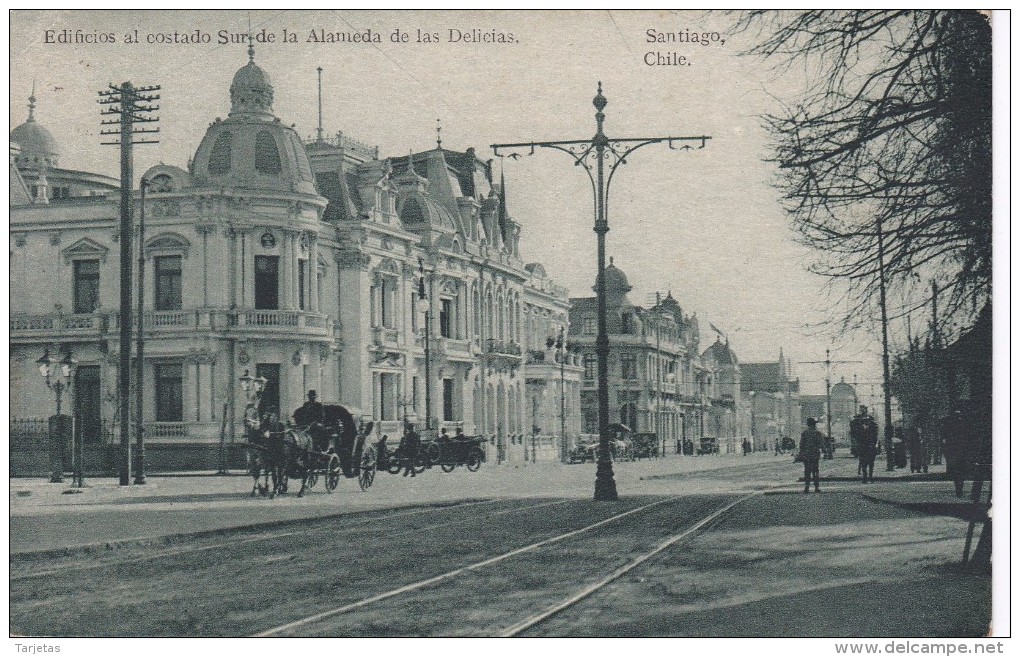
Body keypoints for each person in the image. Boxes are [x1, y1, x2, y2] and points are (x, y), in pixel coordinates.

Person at [850, 405, 879, 483]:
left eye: (867, 420)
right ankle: (865, 477)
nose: (866, 422)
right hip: (862, 446)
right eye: (864, 421)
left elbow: (875, 435)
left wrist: (875, 444)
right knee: (863, 462)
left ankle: (870, 476)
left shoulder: (872, 425)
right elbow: (854, 434)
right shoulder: (858, 426)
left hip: (871, 446)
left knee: (871, 462)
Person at [798, 417, 824, 493]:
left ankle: (807, 487)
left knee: (807, 470)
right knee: (815, 470)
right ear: (814, 425)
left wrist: (801, 453)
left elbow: (801, 444)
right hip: (815, 454)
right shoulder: (817, 433)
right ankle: (816, 487)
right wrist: (824, 450)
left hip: (806, 454)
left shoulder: (804, 433)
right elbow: (821, 443)